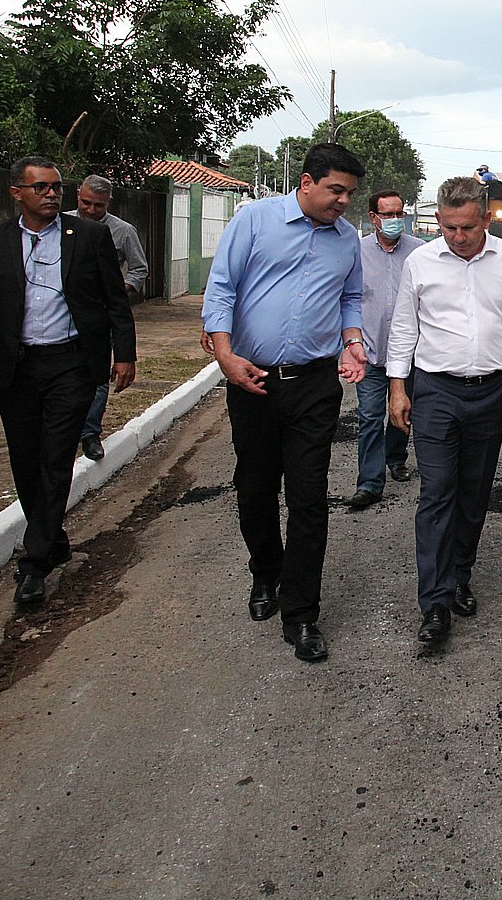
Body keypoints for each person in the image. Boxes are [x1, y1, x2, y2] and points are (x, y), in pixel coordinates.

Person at [0, 156, 136, 606]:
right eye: (41, 187)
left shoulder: (88, 236)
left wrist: (124, 354)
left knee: (56, 456)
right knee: (25, 460)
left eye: (56, 187)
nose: (51, 194)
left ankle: (35, 562)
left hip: (71, 363)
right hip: (17, 367)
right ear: (17, 193)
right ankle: (53, 539)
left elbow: (113, 301)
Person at [202, 144, 366, 664]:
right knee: (253, 488)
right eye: (335, 190)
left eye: (349, 194)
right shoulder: (254, 220)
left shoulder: (347, 241)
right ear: (306, 182)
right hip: (252, 380)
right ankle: (265, 574)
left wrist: (353, 337)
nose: (343, 202)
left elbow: (351, 299)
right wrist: (225, 355)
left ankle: (301, 615)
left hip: (315, 385)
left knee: (309, 498)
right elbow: (222, 287)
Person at [387, 175, 502, 648]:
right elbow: (402, 329)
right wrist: (398, 388)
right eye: (450, 227)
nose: (458, 237)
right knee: (437, 490)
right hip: (434, 391)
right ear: (438, 220)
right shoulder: (420, 262)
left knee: (474, 491)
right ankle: (434, 602)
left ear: (485, 221)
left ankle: (460, 575)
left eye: (468, 228)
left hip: (490, 392)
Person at [349, 190, 423, 510]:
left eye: (399, 214)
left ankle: (396, 457)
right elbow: (348, 299)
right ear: (373, 218)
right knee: (369, 416)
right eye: (388, 215)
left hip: (407, 354)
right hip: (371, 350)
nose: (395, 220)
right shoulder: (357, 252)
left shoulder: (419, 252)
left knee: (401, 410)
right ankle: (369, 482)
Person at [69, 174, 149, 462]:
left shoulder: (122, 231)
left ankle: (89, 432)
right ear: (77, 195)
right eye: (85, 203)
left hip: (102, 315)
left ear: (108, 203)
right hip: (64, 314)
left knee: (99, 374)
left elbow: (139, 269)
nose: (90, 211)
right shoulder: (60, 224)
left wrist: (117, 291)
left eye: (98, 206)